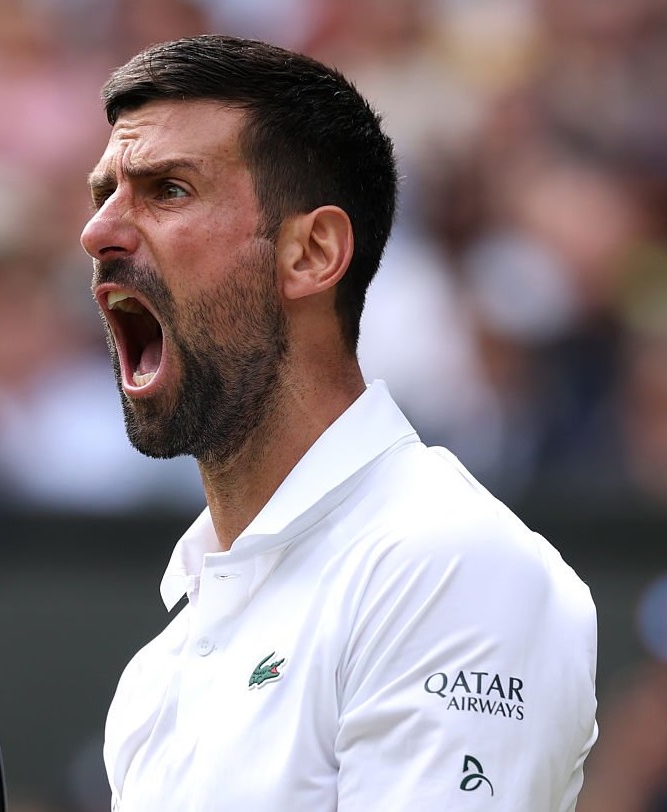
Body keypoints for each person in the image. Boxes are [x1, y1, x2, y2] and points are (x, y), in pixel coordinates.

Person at [79, 35, 597, 810]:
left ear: (313, 252)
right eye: (104, 196)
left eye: (168, 190)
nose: (99, 233)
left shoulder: (445, 566)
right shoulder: (160, 668)